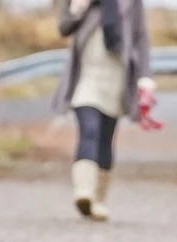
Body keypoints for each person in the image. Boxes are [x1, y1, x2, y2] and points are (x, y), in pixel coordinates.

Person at [53, 0, 158, 221]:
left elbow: (140, 36)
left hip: (116, 76)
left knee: (105, 137)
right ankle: (84, 192)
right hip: (86, 76)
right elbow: (63, 28)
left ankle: (99, 200)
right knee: (89, 129)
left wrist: (145, 77)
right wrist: (78, 7)